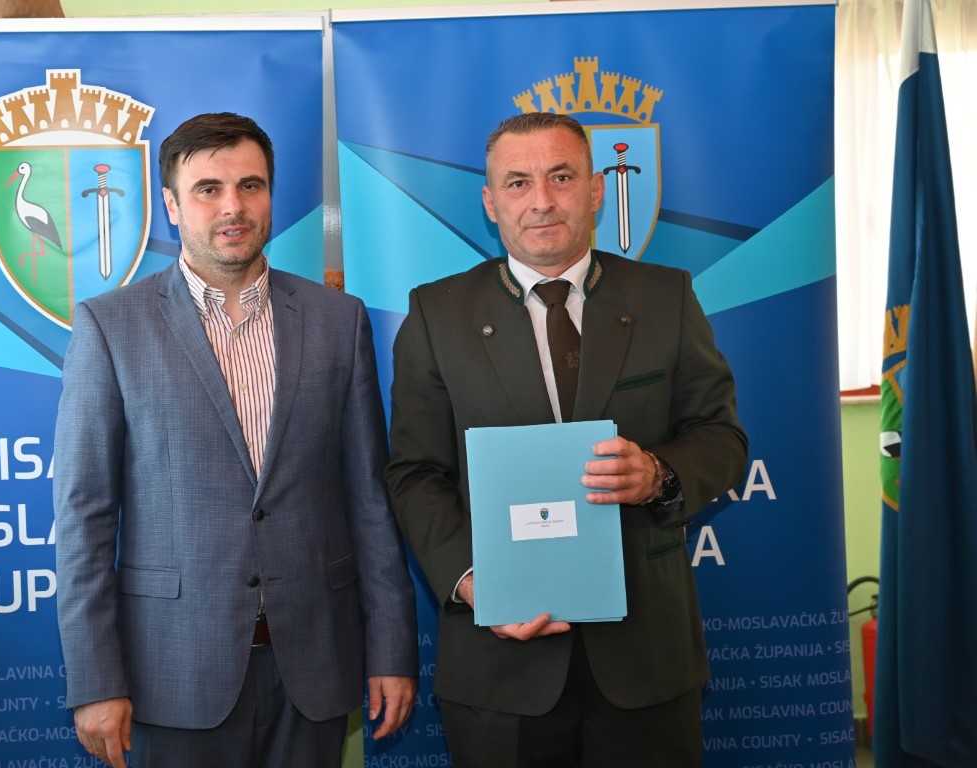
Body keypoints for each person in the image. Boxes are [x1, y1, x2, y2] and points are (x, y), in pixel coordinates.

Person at [54, 112, 418, 768]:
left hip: (315, 664)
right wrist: (96, 680)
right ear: (171, 206)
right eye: (208, 189)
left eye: (251, 185)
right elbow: (84, 518)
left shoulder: (338, 320)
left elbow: (369, 500)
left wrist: (391, 650)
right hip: (173, 671)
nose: (233, 206)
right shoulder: (111, 327)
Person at [384, 112, 748, 767]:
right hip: (501, 665)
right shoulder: (437, 315)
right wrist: (472, 582)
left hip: (645, 657)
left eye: (561, 177)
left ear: (596, 189)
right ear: (490, 202)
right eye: (518, 183)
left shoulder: (665, 297)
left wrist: (659, 474)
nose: (542, 201)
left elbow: (721, 437)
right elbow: (415, 472)